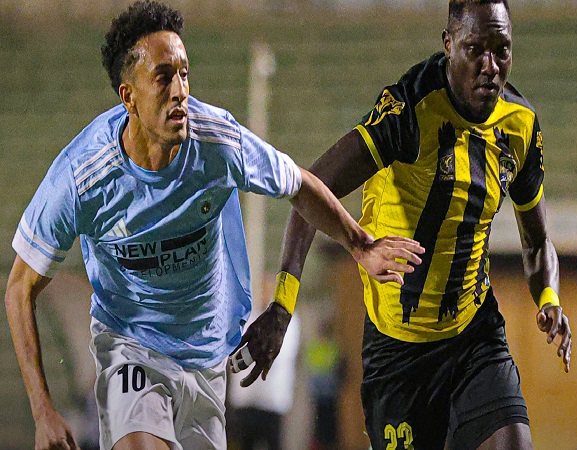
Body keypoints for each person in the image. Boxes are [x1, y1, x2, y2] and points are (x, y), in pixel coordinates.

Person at [3, 2, 424, 449]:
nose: (179, 90)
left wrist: (359, 244)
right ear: (128, 97)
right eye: (163, 77)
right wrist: (43, 412)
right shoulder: (82, 177)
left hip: (206, 356)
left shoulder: (217, 142)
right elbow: (19, 289)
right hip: (131, 344)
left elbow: (299, 184)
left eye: (184, 74)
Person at [236, 1, 573, 448]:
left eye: (502, 50)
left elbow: (537, 239)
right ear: (449, 44)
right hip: (397, 349)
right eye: (476, 49)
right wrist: (282, 307)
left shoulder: (521, 124)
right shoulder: (409, 110)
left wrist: (548, 297)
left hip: (474, 336)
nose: (491, 66)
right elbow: (307, 193)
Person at [227, 274, 301, 450]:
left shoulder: (287, 322)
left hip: (272, 401)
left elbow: (282, 353)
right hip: (246, 400)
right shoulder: (247, 318)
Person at [305, 318, 345, 450]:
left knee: (331, 423)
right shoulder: (316, 347)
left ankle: (329, 444)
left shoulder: (332, 346)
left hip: (330, 393)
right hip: (319, 393)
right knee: (319, 422)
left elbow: (335, 365)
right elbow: (314, 366)